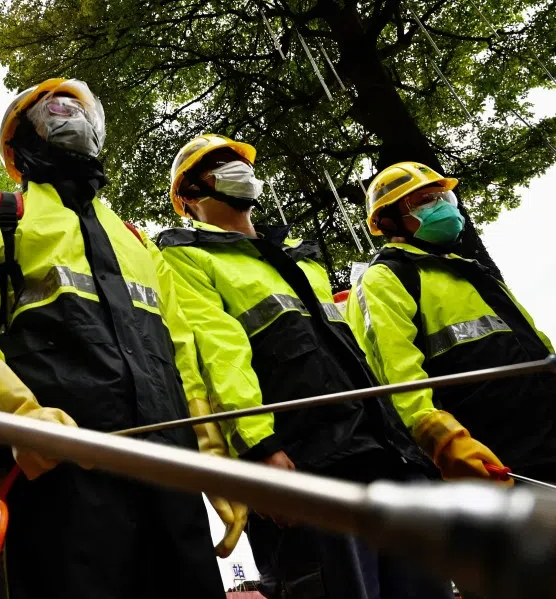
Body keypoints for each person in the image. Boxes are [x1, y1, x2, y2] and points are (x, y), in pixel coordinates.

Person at [0, 78, 235, 599]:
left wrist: (210, 452)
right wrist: (19, 417)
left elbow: (181, 350)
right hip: (59, 474)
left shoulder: (137, 240)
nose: (68, 116)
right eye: (51, 111)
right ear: (20, 144)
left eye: (79, 108)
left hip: (171, 474)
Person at [156, 134, 453, 599]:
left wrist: (409, 440)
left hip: (383, 451)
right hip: (303, 462)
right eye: (219, 164)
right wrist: (259, 451)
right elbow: (218, 357)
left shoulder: (299, 255)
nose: (238, 169)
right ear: (189, 196)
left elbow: (357, 353)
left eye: (239, 160)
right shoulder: (185, 255)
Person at [347, 161, 555, 485]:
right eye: (423, 201)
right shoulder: (386, 277)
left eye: (445, 198)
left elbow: (535, 342)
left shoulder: (473, 271)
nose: (442, 207)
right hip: (492, 453)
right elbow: (394, 372)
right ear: (388, 220)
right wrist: (441, 439)